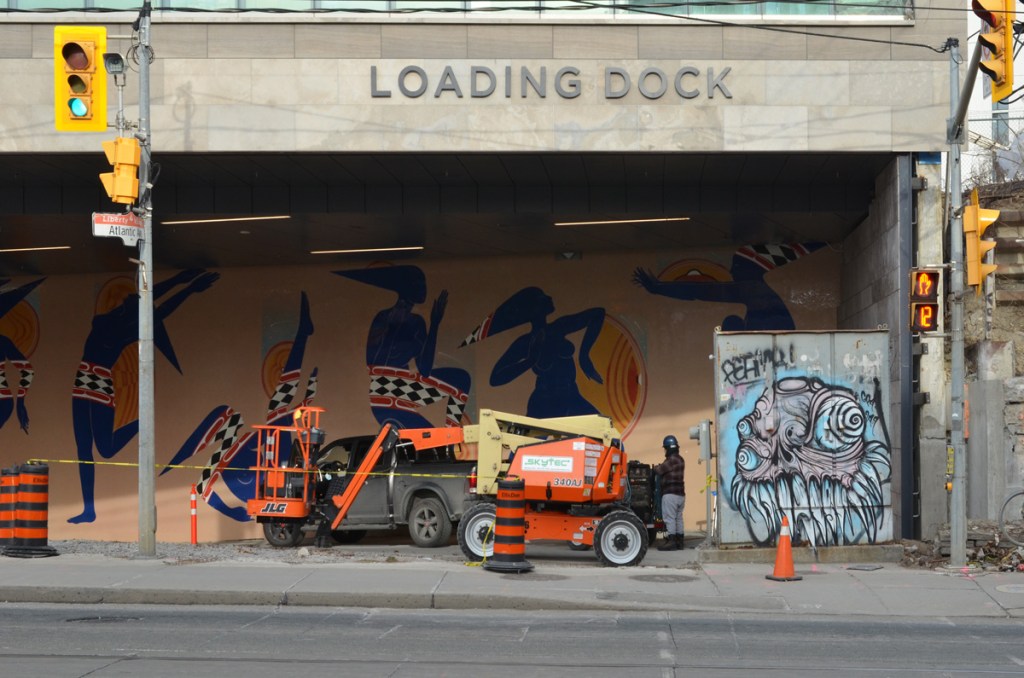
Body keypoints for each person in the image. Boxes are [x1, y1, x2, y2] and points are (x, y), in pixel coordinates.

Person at [654, 434, 685, 551]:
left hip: (670, 494)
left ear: (668, 448)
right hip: (681, 495)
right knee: (678, 518)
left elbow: (660, 470)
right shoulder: (681, 459)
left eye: (665, 448)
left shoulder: (671, 460)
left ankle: (671, 542)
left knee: (670, 518)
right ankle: (679, 541)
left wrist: (656, 467)